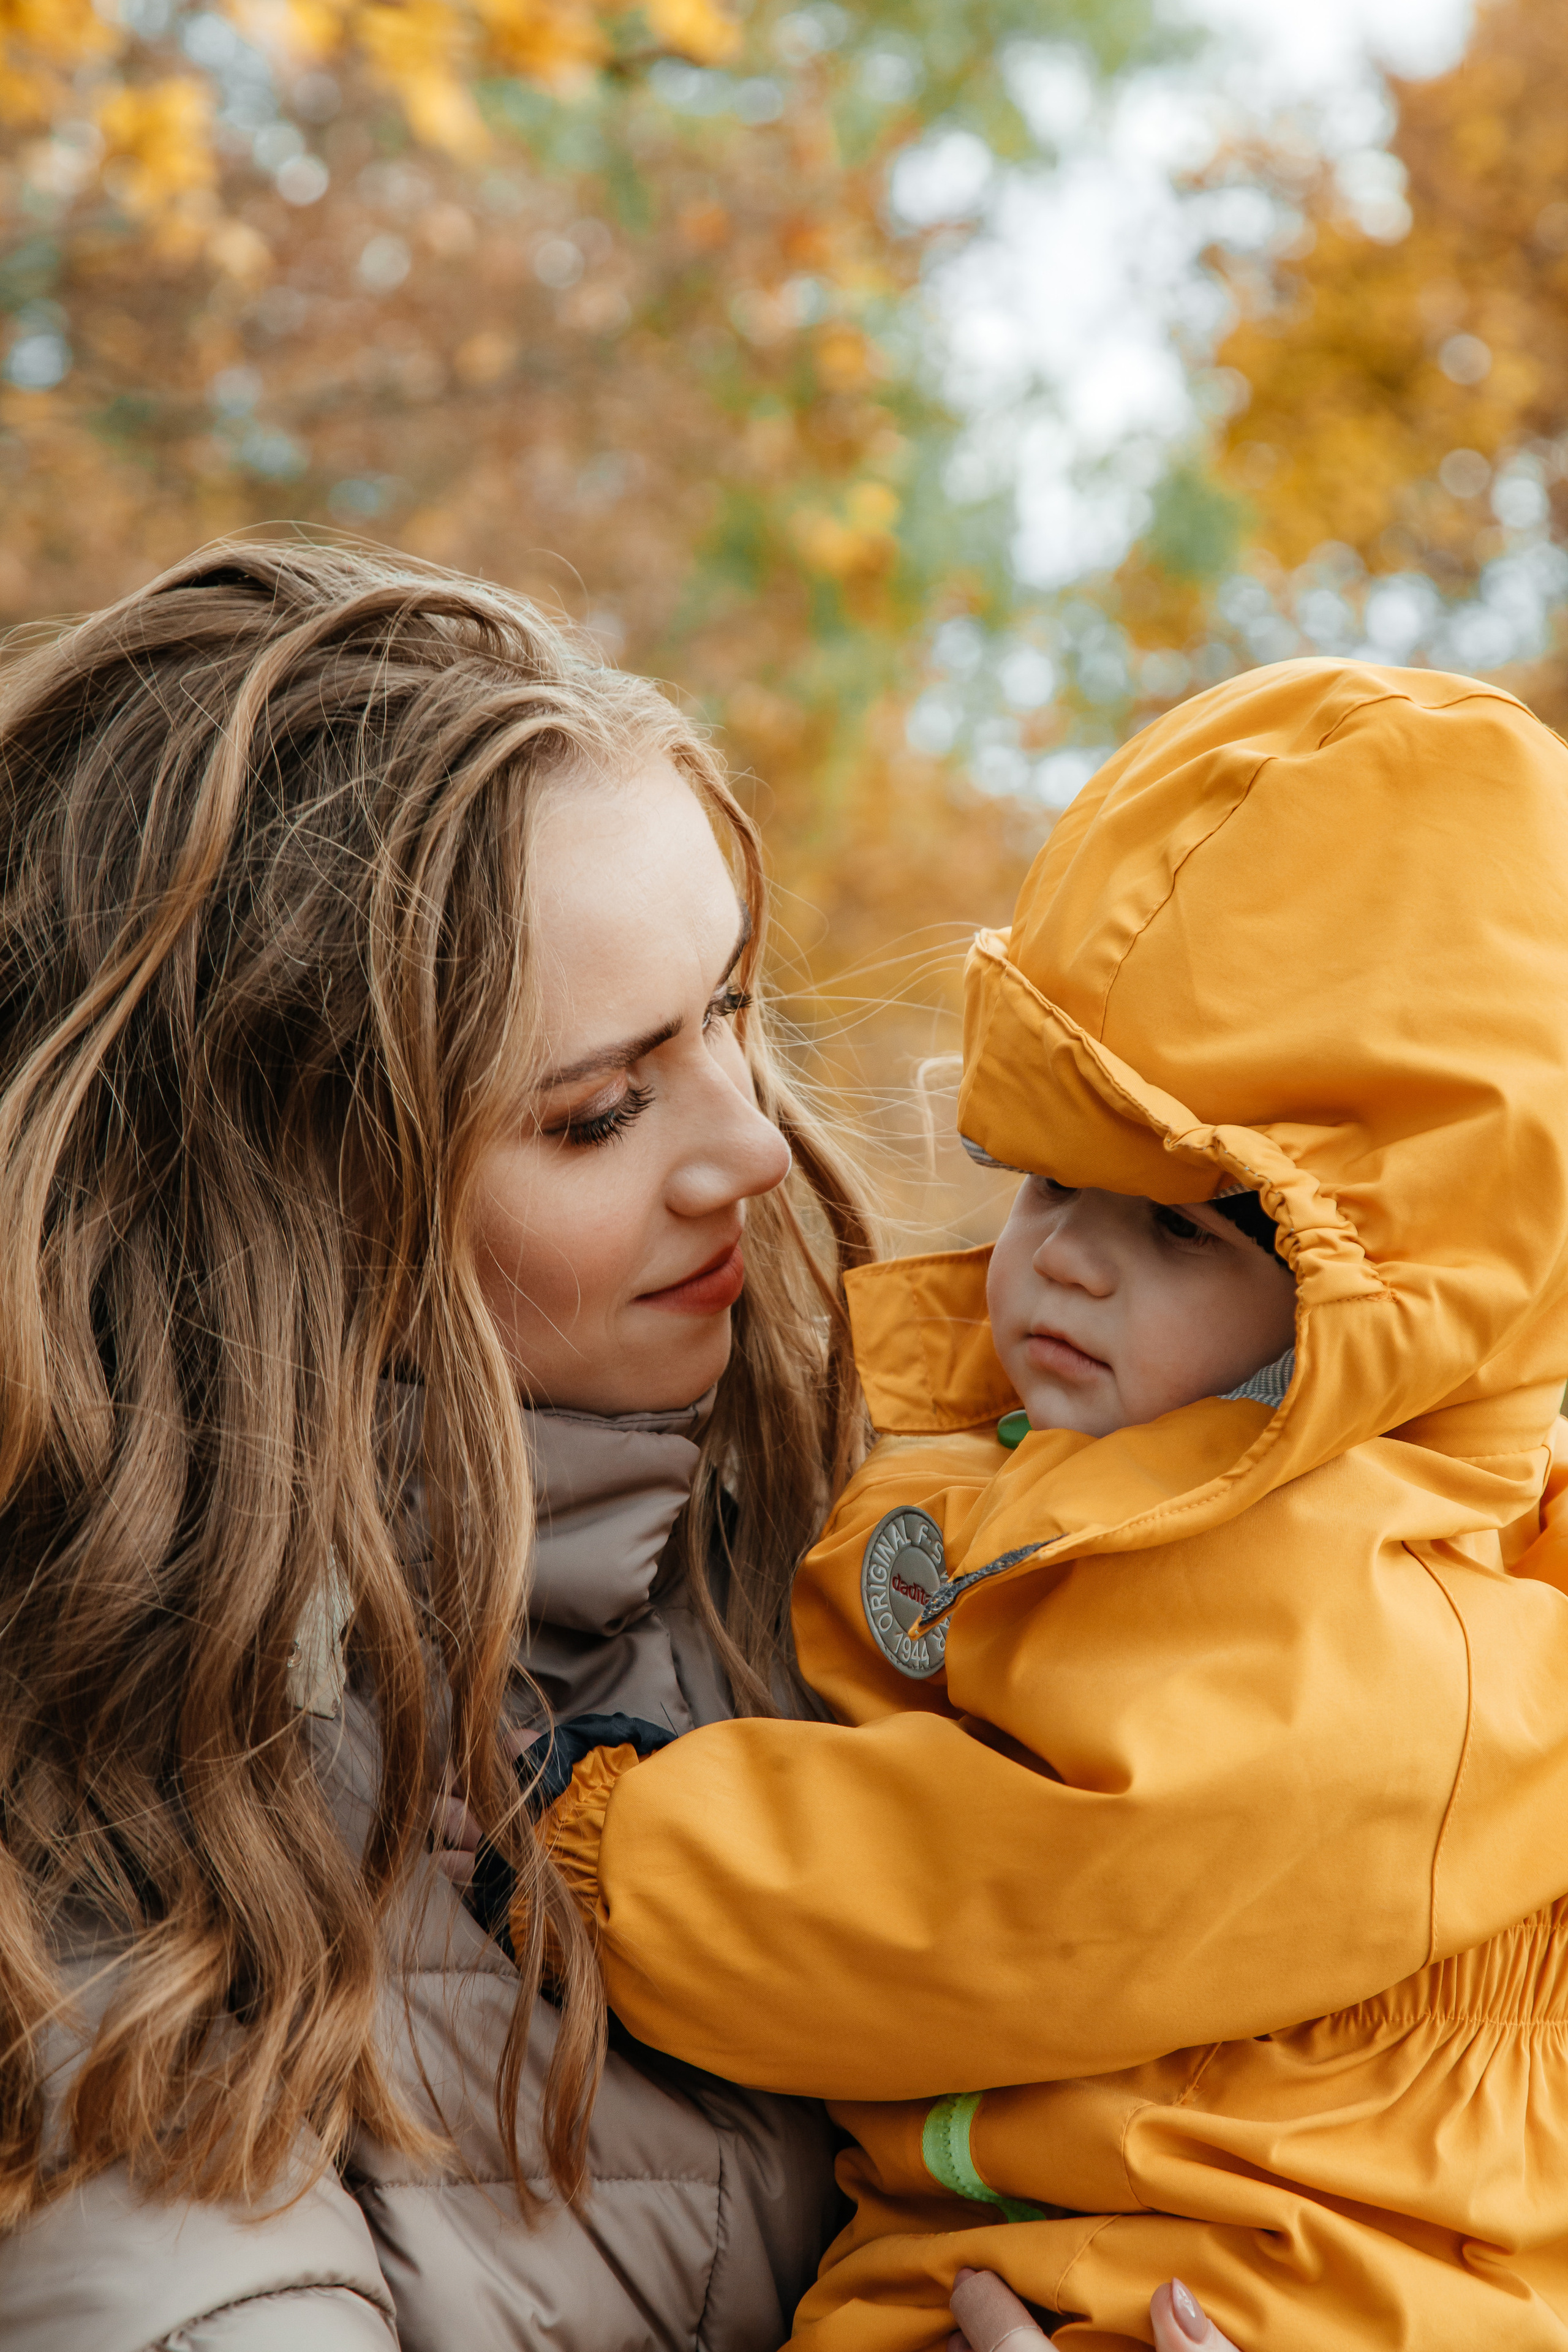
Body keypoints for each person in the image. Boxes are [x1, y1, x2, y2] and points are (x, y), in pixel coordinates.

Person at [521, 659, 1568, 2345]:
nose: (1067, 1257)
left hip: (1260, 2269)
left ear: (1384, 1317)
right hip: (1072, 2224)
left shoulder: (1367, 1605)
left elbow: (1015, 1903)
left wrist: (620, 1854)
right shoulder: (1105, 1471)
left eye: (1180, 1230)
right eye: (1048, 1180)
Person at [0, 538, 875, 2349]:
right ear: (292, 1223)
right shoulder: (95, 1889)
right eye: (602, 1111)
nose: (758, 1147)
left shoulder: (883, 1550)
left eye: (730, 1010)